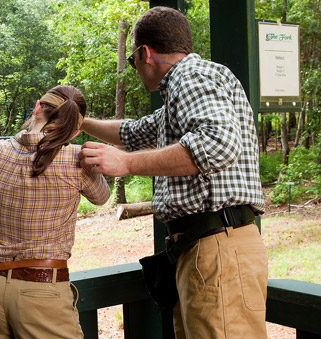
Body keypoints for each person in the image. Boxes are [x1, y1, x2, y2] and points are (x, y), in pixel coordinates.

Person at [78, 6, 268, 339]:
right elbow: (133, 132)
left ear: (144, 53)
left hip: (216, 248)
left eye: (133, 61)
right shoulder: (182, 90)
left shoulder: (191, 76)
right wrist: (79, 124)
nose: (135, 69)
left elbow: (218, 143)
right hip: (205, 249)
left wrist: (126, 163)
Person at [0, 85, 110, 338]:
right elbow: (101, 197)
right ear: (76, 129)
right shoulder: (76, 158)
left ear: (37, 107)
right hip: (43, 291)